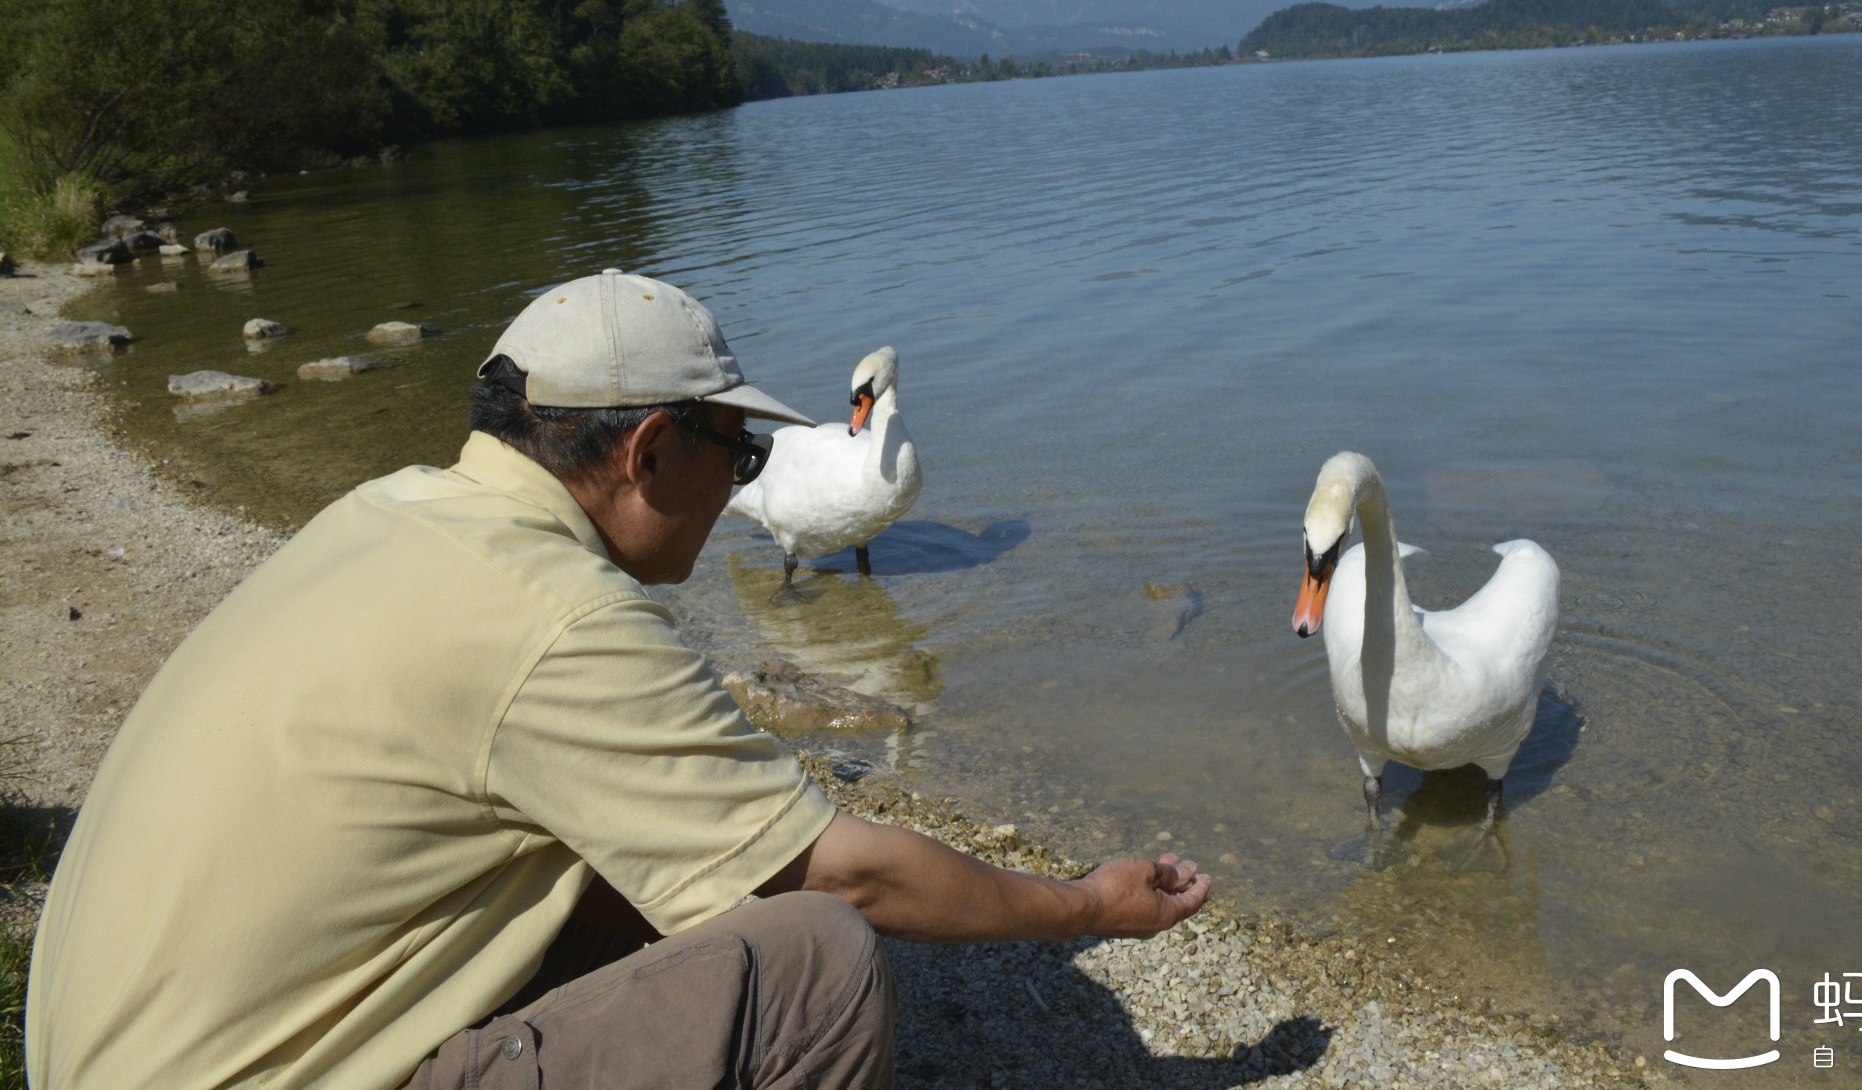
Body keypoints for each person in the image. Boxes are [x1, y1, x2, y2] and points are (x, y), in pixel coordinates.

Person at [27, 269, 1210, 1090]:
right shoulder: (549, 615)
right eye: (734, 450)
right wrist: (1084, 907)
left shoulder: (382, 511)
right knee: (819, 965)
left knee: (641, 874)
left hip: (113, 1056)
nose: (745, 474)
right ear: (648, 452)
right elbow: (843, 880)